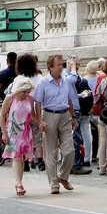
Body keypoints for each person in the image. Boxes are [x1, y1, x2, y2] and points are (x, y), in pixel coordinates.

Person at [33, 54, 79, 194]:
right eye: (58, 64)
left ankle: (63, 177)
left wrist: (73, 117)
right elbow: (37, 102)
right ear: (50, 67)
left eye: (62, 64)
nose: (61, 67)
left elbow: (70, 100)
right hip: (49, 115)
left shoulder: (66, 81)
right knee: (51, 152)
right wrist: (40, 120)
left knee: (69, 150)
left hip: (65, 115)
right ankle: (54, 183)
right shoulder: (43, 82)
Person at [0, 75, 40, 197]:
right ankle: (18, 184)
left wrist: (40, 122)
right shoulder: (10, 98)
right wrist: (4, 132)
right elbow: (2, 116)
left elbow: (32, 115)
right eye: (24, 92)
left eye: (28, 91)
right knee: (16, 157)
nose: (26, 94)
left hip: (26, 131)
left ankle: (19, 182)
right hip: (13, 130)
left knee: (21, 158)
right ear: (18, 90)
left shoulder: (29, 99)